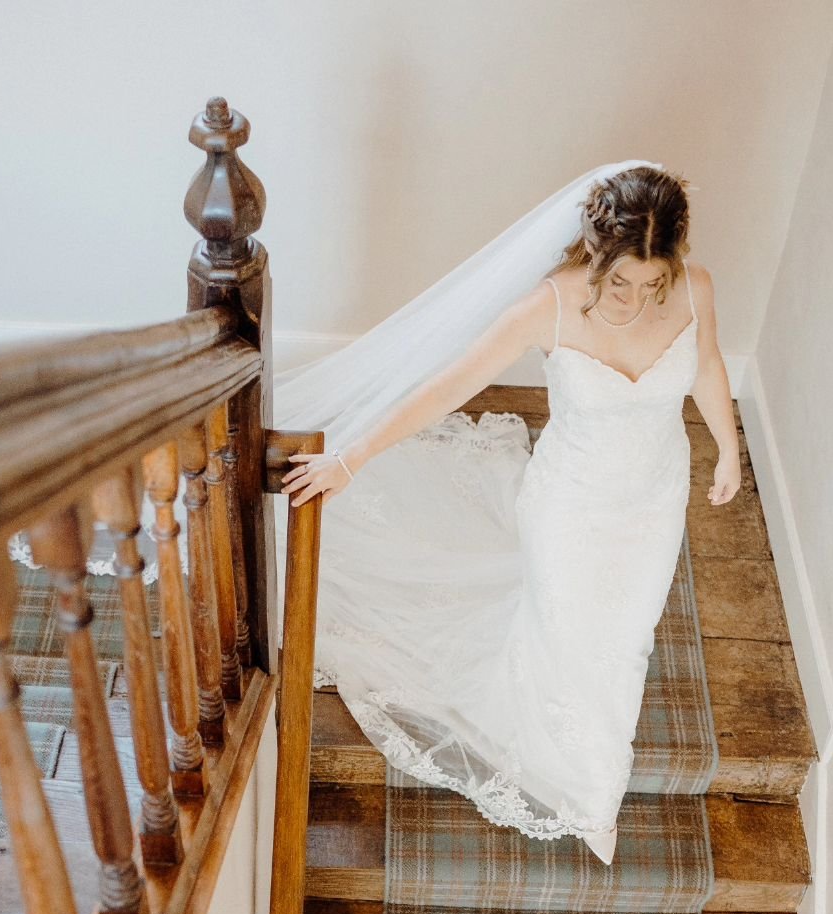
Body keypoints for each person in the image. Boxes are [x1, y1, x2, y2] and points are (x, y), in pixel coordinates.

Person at [276, 163, 742, 866]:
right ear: (594, 254)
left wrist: (729, 449)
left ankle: (588, 773)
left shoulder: (696, 288)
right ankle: (592, 791)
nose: (637, 299)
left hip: (654, 497)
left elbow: (705, 365)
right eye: (619, 282)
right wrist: (351, 458)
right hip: (570, 503)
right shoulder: (548, 305)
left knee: (626, 634)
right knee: (568, 625)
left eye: (653, 284)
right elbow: (445, 386)